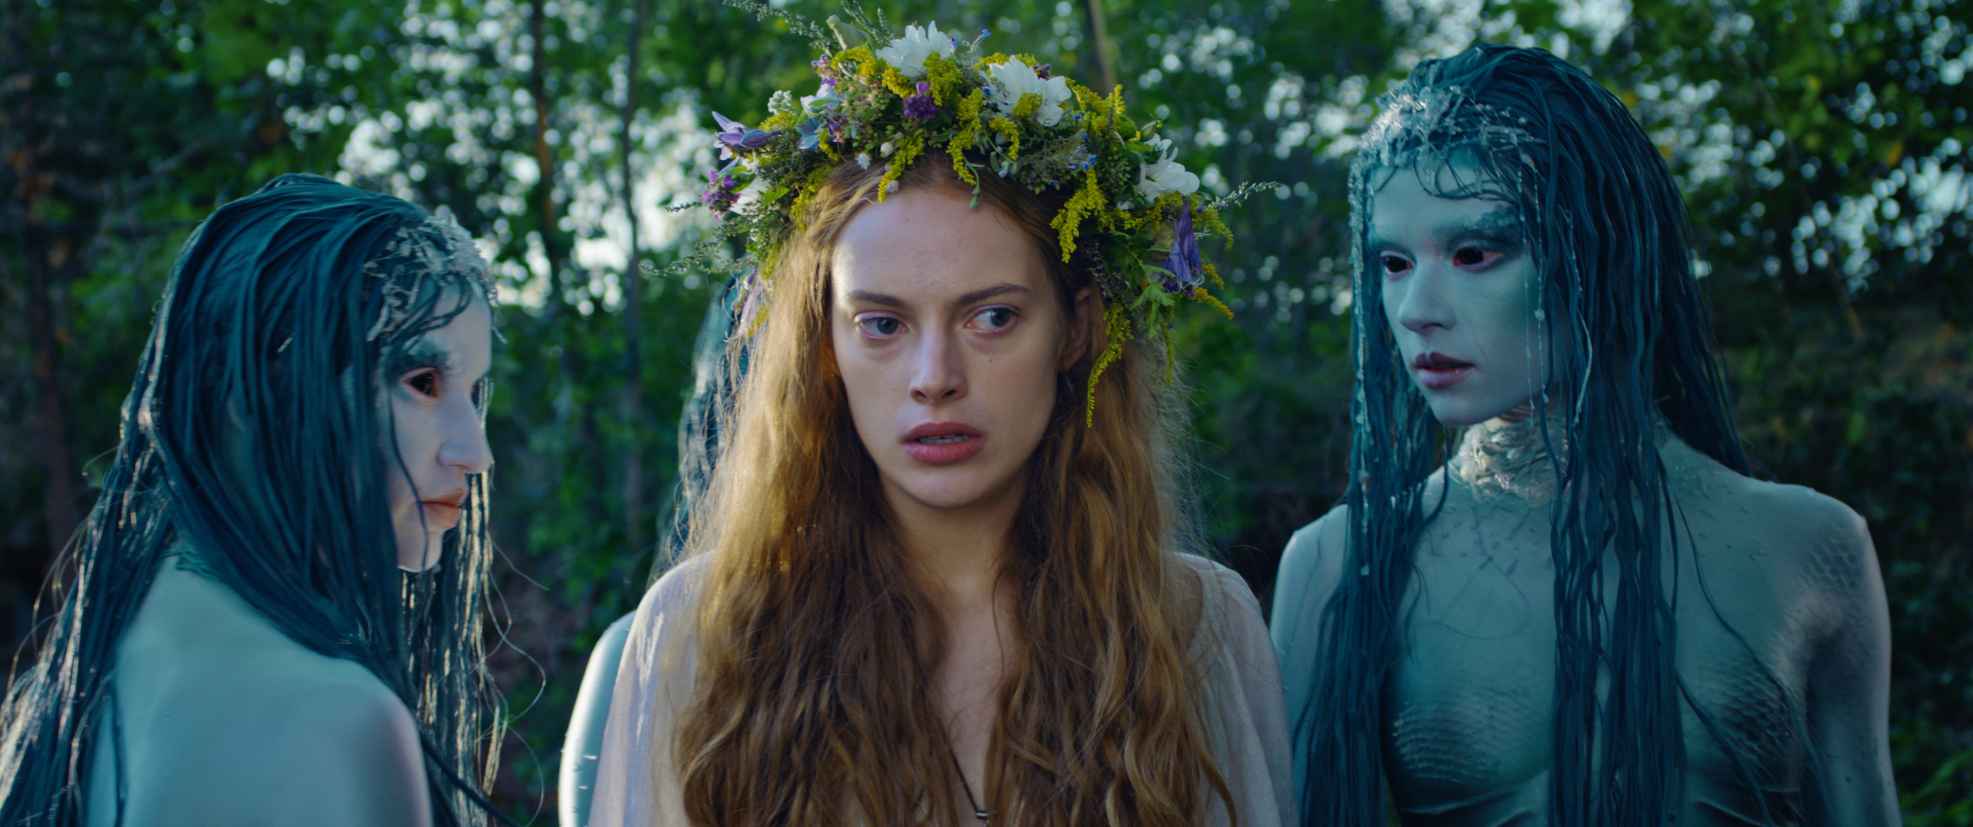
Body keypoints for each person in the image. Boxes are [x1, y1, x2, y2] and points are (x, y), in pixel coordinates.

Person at [588, 15, 1293, 827]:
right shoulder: (699, 632)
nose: (934, 378)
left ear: (1076, 330)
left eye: (991, 317)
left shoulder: (1197, 626)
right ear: (825, 348)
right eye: (882, 324)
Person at [1271, 45, 1899, 826]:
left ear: (1597, 254)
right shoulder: (1337, 563)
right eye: (1393, 263)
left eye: (1473, 253)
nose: (1416, 309)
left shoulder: (1813, 545)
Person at [0, 174, 507, 827]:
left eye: (473, 392)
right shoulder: (333, 717)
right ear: (249, 395)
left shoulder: (101, 666)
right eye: (423, 382)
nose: (475, 452)